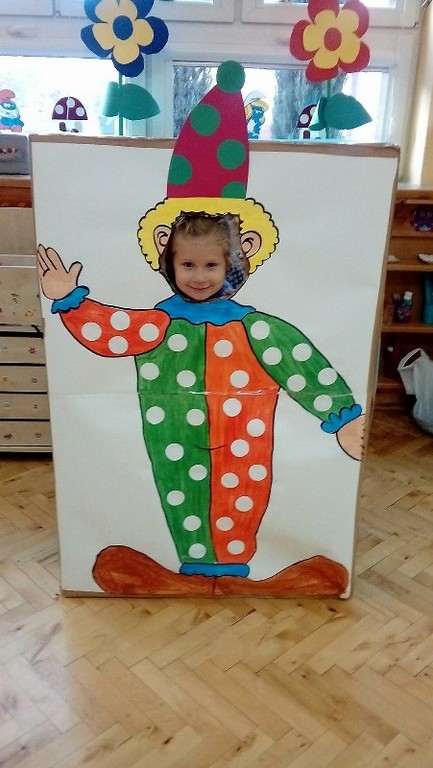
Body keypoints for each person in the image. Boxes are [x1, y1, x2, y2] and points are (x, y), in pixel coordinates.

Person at [161, 212, 248, 302]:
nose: (200, 279)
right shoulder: (158, 295)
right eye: (188, 265)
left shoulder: (237, 295)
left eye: (211, 265)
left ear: (227, 265)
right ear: (171, 264)